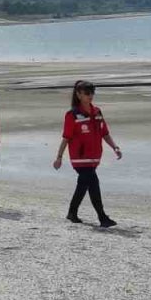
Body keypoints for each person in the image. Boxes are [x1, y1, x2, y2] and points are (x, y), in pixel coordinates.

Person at [53, 80, 121, 227]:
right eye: (87, 93)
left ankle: (72, 212)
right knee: (93, 183)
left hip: (94, 158)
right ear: (78, 94)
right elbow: (66, 138)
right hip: (80, 159)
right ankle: (102, 217)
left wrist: (115, 147)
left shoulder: (97, 112)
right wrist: (59, 157)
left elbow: (105, 133)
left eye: (92, 93)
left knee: (83, 185)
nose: (90, 96)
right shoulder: (72, 115)